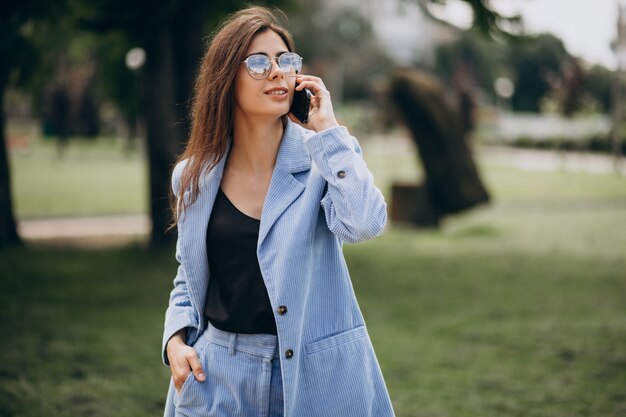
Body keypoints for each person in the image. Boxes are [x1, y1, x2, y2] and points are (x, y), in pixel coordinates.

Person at [162, 6, 395, 417]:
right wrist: (175, 341)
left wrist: (328, 130)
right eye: (257, 62)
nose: (276, 71)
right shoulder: (192, 177)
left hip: (313, 377)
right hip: (218, 375)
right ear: (225, 78)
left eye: (285, 60)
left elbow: (365, 223)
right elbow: (189, 274)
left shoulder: (327, 158)